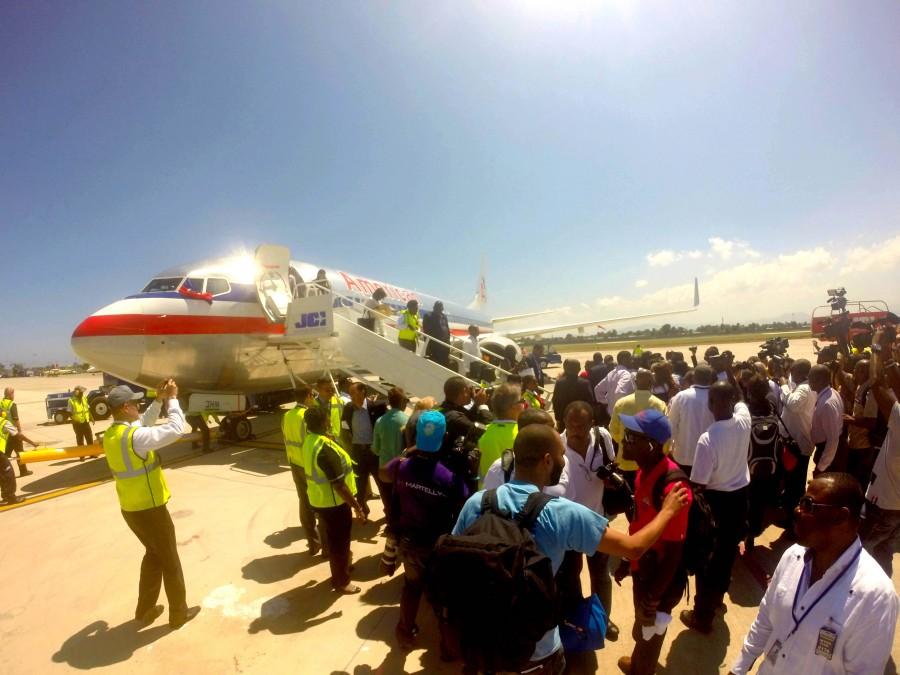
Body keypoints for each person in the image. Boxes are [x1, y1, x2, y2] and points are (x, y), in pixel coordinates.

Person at [452, 424, 690, 675]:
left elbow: (454, 557)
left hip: (480, 639)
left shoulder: (478, 502)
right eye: (561, 455)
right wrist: (667, 512)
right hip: (536, 650)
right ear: (547, 461)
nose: (565, 463)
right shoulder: (560, 512)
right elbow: (633, 548)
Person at [729, 474, 899, 675]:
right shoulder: (793, 556)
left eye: (808, 505)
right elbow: (766, 618)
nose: (797, 510)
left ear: (840, 517)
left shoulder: (876, 597)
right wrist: (739, 668)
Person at [101, 381, 199, 629]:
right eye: (134, 403)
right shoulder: (135, 438)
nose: (138, 405)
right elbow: (177, 428)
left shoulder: (113, 435)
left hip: (131, 510)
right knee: (170, 561)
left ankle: (144, 609)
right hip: (151, 509)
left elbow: (142, 424)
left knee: (153, 556)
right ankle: (179, 614)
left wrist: (158, 399)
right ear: (125, 407)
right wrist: (173, 399)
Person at [379, 410, 469, 650]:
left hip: (411, 543)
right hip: (438, 546)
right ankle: (448, 647)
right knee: (441, 597)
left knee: (411, 588)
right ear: (445, 436)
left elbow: (383, 474)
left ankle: (404, 633)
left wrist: (406, 453)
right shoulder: (448, 476)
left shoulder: (401, 466)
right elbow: (465, 499)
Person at [616, 409, 693, 675]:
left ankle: (642, 669)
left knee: (650, 632)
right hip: (643, 566)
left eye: (630, 436)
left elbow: (673, 553)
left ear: (651, 445)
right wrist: (627, 561)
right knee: (644, 629)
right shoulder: (643, 471)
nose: (623, 441)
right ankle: (639, 663)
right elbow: (639, 524)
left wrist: (654, 598)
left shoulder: (673, 489)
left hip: (660, 577)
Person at [680, 381, 751, 634]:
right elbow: (741, 397)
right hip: (739, 499)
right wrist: (730, 373)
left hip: (717, 502)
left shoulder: (708, 439)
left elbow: (698, 484)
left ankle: (702, 616)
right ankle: (718, 601)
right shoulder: (744, 420)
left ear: (711, 404)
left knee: (706, 559)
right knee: (726, 555)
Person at [557, 401, 619, 642]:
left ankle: (602, 620)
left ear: (592, 424)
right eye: (570, 426)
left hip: (597, 521)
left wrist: (611, 478)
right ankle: (579, 619)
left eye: (581, 426)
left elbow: (613, 465)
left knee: (601, 575)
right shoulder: (556, 445)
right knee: (571, 576)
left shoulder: (602, 437)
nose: (575, 431)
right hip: (569, 526)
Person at [301, 406, 367, 594]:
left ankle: (342, 566)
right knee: (339, 542)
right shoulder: (323, 448)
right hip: (333, 503)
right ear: (324, 422)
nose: (330, 421)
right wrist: (357, 506)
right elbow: (339, 485)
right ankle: (341, 581)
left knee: (333, 539)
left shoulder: (310, 440)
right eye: (328, 419)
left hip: (319, 500)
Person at [860, 329, 900, 575]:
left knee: (859, 554)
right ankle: (883, 595)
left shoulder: (898, 418)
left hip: (882, 504)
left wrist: (875, 346)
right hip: (897, 507)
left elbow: (877, 385)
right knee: (884, 551)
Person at [609, 369, 667, 489]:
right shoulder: (660, 405)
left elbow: (613, 431)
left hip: (626, 461)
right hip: (651, 462)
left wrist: (627, 444)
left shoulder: (621, 403)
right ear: (652, 382)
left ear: (635, 382)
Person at [282, 385, 323, 556]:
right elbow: (311, 441)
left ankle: (313, 543)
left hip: (294, 463)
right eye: (312, 395)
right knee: (320, 502)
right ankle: (326, 546)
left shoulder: (287, 415)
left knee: (304, 502)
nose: (313, 397)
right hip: (308, 465)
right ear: (307, 396)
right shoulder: (305, 416)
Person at [340, 382, 387, 518]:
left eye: (354, 393)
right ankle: (362, 512)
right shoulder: (348, 408)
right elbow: (344, 428)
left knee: (381, 484)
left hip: (374, 452)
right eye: (350, 393)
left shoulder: (377, 407)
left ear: (363, 392)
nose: (352, 396)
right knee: (358, 486)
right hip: (358, 453)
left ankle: (388, 513)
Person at [780, 359, 816, 522]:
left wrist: (783, 385)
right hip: (795, 442)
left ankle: (794, 518)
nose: (791, 376)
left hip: (799, 444)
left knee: (795, 483)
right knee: (791, 480)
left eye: (793, 372)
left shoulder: (804, 388)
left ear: (801, 374)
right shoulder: (803, 386)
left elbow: (793, 405)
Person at [667, 364, 715, 474]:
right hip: (710, 456)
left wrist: (669, 448)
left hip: (684, 455)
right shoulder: (716, 395)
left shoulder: (681, 396)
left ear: (694, 378)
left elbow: (672, 425)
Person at [372, 387, 409, 516]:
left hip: (385, 469)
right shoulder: (408, 420)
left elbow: (375, 449)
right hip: (403, 469)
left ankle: (391, 521)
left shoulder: (379, 421)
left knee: (388, 500)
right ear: (402, 402)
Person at [477, 384, 522, 486]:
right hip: (510, 497)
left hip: (483, 495)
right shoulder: (523, 434)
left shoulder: (481, 432)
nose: (524, 404)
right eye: (521, 401)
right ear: (514, 407)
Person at [844, 359, 878, 488]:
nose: (854, 372)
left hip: (864, 446)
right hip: (855, 442)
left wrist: (849, 419)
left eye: (858, 370)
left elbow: (872, 422)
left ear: (866, 373)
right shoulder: (860, 386)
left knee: (860, 481)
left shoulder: (871, 392)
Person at [809, 364, 846, 475]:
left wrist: (821, 467)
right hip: (827, 449)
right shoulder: (832, 393)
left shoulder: (827, 404)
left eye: (811, 378)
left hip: (830, 453)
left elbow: (833, 440)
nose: (809, 381)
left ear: (819, 380)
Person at [0, 415, 38, 505]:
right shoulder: (4, 422)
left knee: (2, 475)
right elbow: (18, 435)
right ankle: (10, 498)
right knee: (9, 474)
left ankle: (5, 497)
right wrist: (32, 443)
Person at [550, 359, 594, 432]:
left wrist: (558, 418)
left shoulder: (560, 383)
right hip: (581, 418)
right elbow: (590, 402)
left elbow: (555, 401)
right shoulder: (585, 383)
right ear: (579, 369)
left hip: (564, 419)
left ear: (566, 369)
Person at [1, 387, 32, 477]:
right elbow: (16, 419)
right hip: (13, 432)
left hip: (5, 433)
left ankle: (3, 471)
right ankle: (23, 471)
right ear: (9, 394)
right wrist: (19, 430)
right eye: (13, 394)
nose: (13, 396)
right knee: (20, 452)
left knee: (6, 453)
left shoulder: (1, 403)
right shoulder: (12, 404)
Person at [594, 351, 634, 419]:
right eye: (630, 359)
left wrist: (608, 402)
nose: (632, 361)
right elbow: (619, 392)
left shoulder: (611, 373)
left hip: (611, 413)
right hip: (623, 415)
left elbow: (597, 389)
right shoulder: (625, 374)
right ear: (624, 360)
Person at [423, 301, 451, 367]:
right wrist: (428, 345)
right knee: (435, 364)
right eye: (439, 307)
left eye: (441, 307)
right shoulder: (428, 316)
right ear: (434, 307)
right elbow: (426, 330)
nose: (441, 309)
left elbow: (447, 328)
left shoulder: (444, 316)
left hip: (445, 345)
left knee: (444, 364)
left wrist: (448, 342)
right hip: (434, 345)